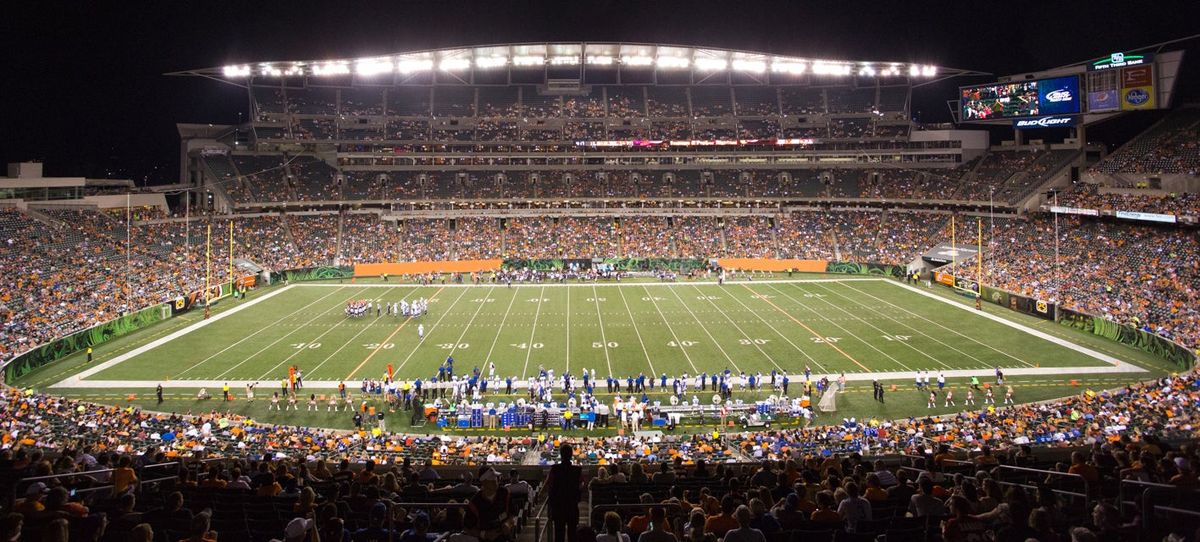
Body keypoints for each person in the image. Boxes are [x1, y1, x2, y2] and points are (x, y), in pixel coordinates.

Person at [545, 443, 582, 542]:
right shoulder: (577, 470)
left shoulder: (555, 469)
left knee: (559, 535)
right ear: (571, 455)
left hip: (558, 507)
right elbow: (581, 486)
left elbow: (549, 485)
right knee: (572, 535)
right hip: (572, 507)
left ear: (561, 455)